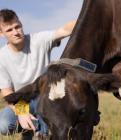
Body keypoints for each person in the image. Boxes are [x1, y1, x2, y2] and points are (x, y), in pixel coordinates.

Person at [0, 9, 76, 139]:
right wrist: (21, 112)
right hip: (21, 101)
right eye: (9, 30)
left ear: (21, 24)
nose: (16, 32)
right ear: (1, 34)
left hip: (45, 97)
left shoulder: (38, 40)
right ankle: (31, 129)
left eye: (17, 27)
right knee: (4, 124)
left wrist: (88, 15)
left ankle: (42, 134)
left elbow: (64, 30)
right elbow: (6, 91)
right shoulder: (2, 57)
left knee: (50, 75)